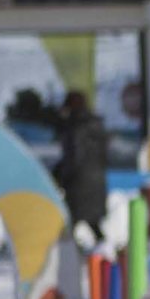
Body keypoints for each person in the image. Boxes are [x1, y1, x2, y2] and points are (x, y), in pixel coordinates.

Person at [52, 91, 109, 247]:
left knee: (71, 221)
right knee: (93, 222)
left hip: (79, 183)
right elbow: (103, 156)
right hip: (97, 182)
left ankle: (66, 255)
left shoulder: (75, 127)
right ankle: (103, 249)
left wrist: (59, 175)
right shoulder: (96, 125)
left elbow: (73, 157)